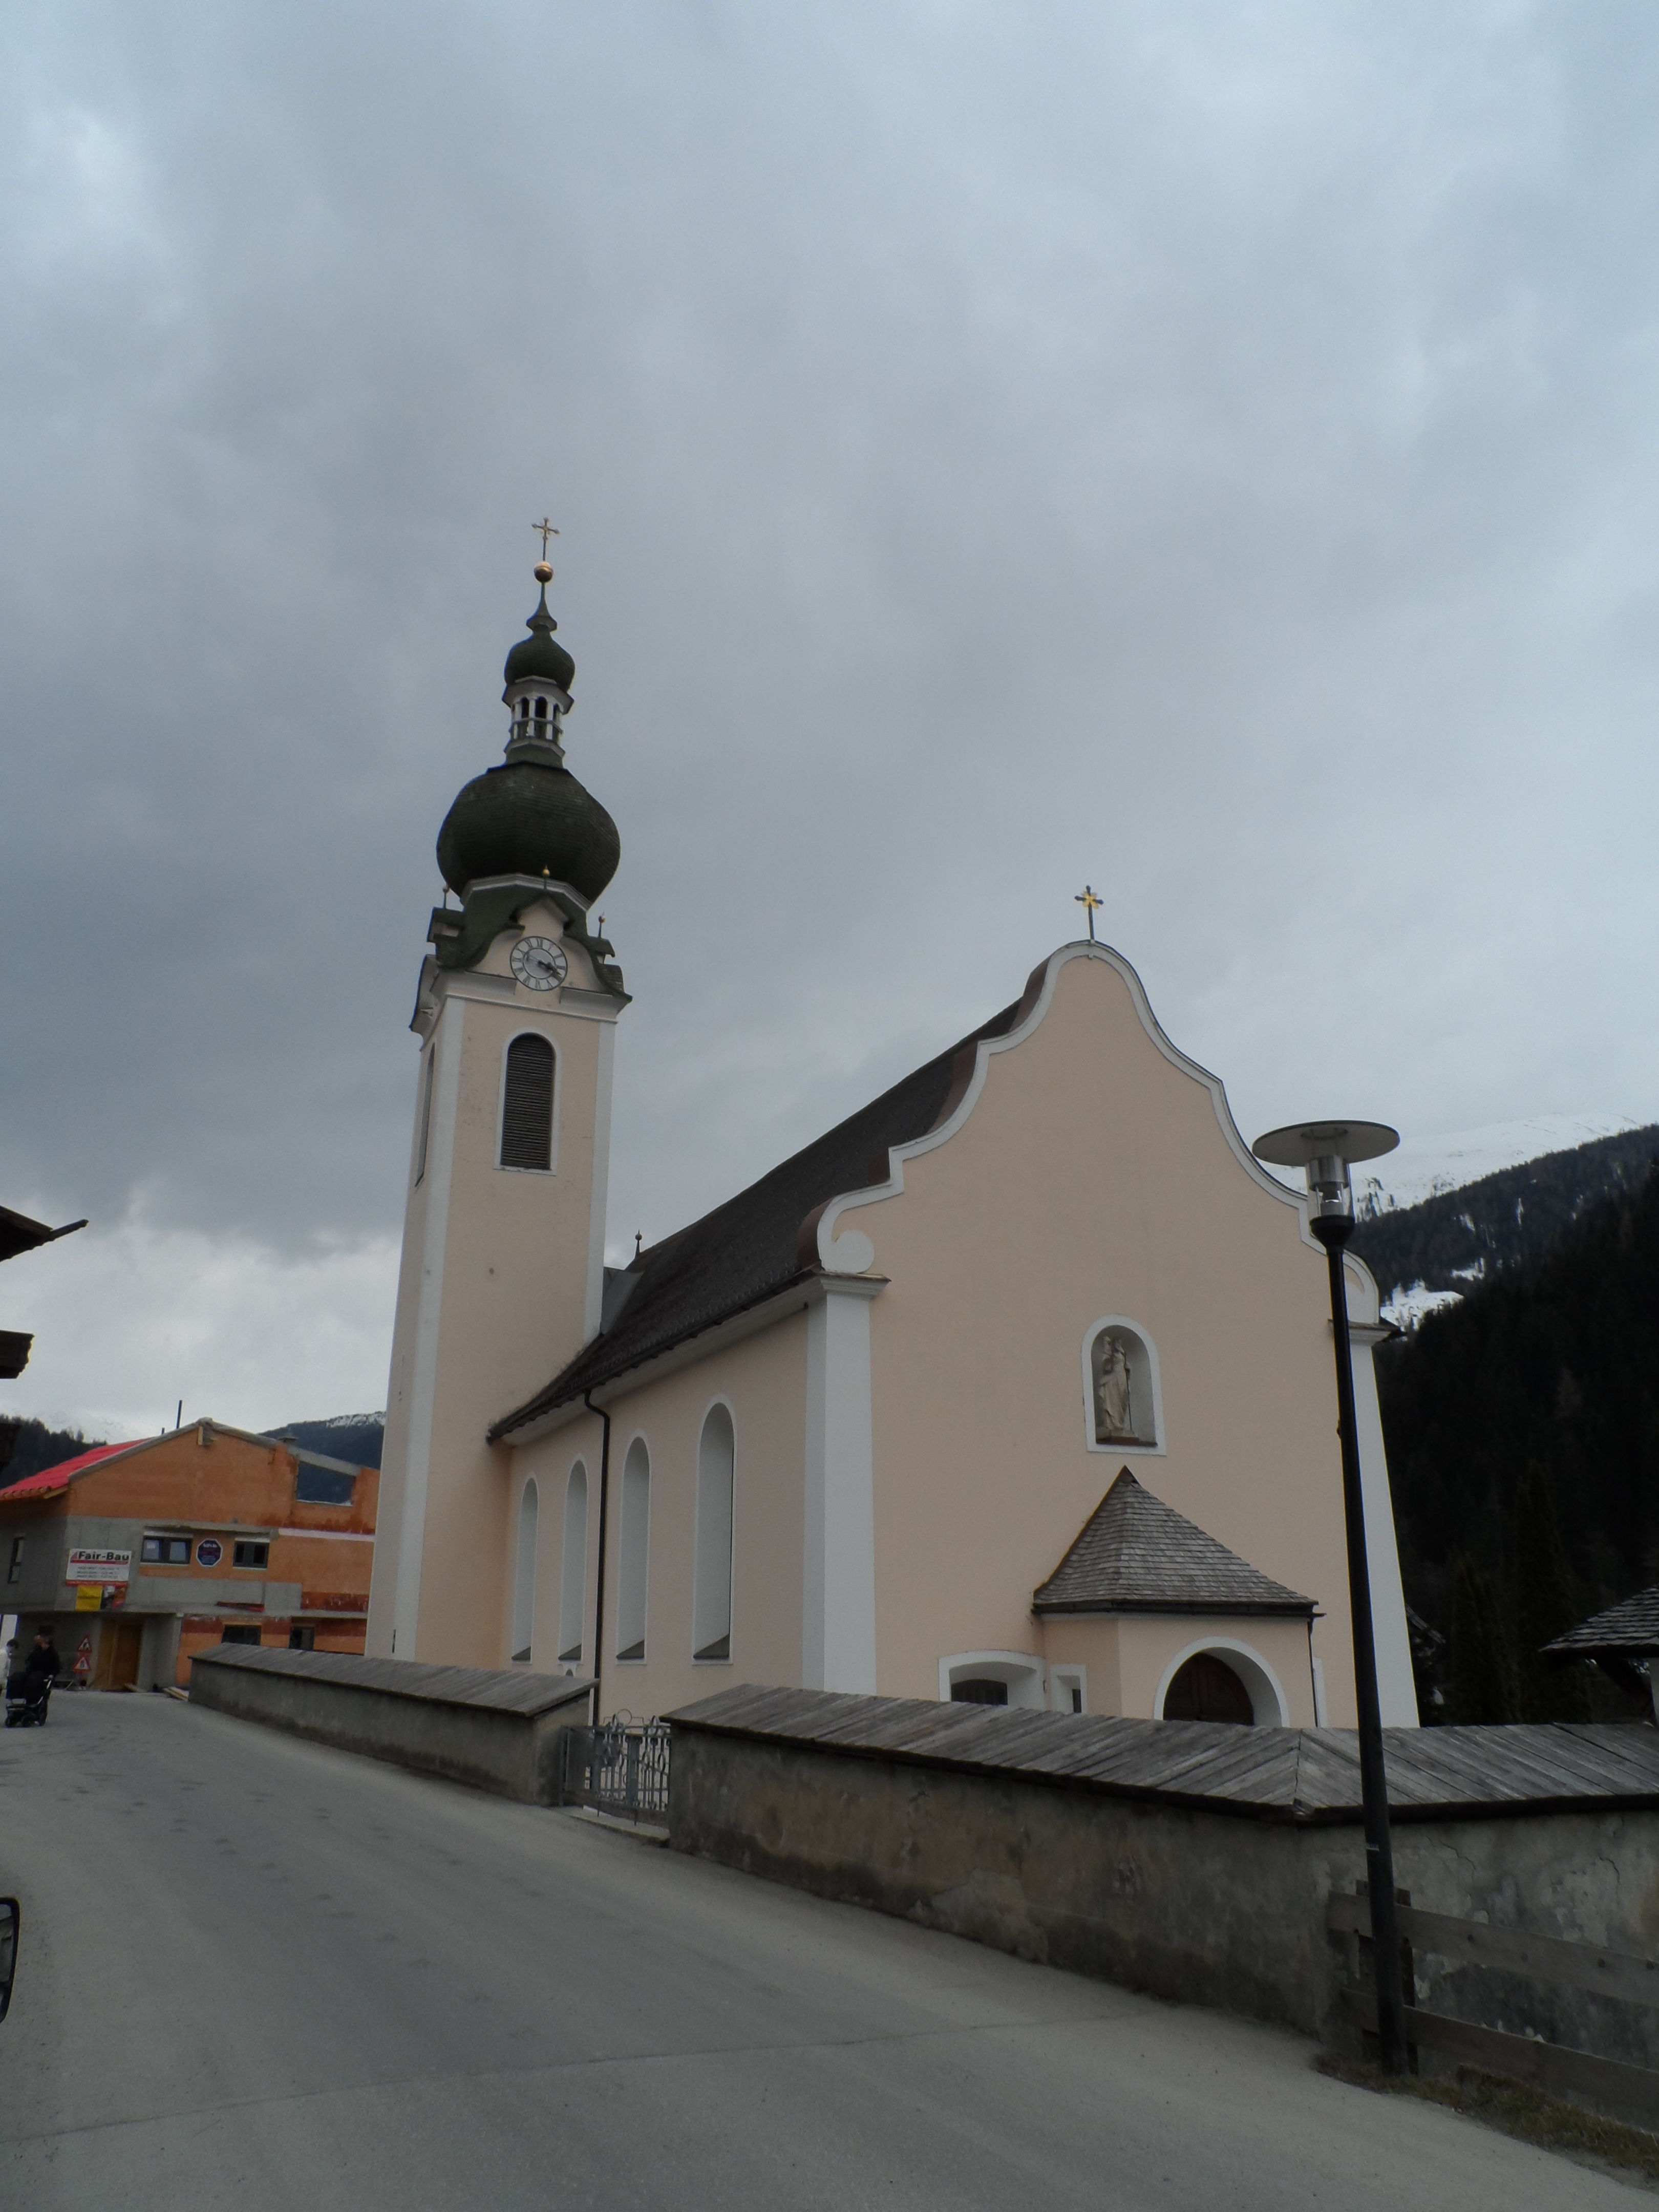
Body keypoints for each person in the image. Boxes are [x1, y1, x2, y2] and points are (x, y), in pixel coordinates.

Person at [18, 1627, 61, 1713]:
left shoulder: (53, 1654)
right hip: (34, 1675)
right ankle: (28, 1708)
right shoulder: (36, 1651)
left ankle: (40, 1711)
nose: (45, 1646)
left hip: (46, 1676)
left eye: (47, 1644)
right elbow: (30, 1662)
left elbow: (57, 1666)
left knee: (43, 1694)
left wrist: (52, 1674)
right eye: (43, 1644)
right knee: (30, 1688)